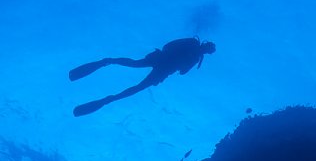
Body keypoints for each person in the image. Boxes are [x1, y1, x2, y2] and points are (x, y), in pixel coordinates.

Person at [69, 37, 215, 117]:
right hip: (162, 62)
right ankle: (108, 63)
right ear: (206, 45)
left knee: (138, 81)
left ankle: (109, 95)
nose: (206, 51)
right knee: (135, 68)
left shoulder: (196, 57)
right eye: (208, 48)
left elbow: (182, 70)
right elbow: (171, 49)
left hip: (163, 67)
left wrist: (188, 59)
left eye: (208, 51)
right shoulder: (193, 45)